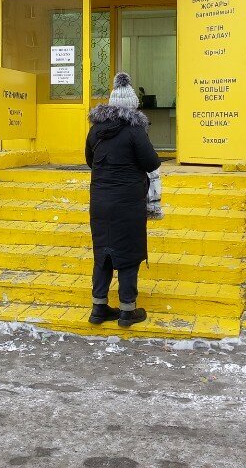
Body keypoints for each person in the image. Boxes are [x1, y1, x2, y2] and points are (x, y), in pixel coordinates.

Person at [85, 72, 161, 328]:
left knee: (103, 252)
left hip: (99, 201)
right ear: (132, 106)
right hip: (128, 202)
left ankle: (98, 308)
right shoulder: (135, 131)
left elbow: (90, 161)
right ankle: (127, 310)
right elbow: (151, 162)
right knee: (128, 252)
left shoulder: (95, 130)